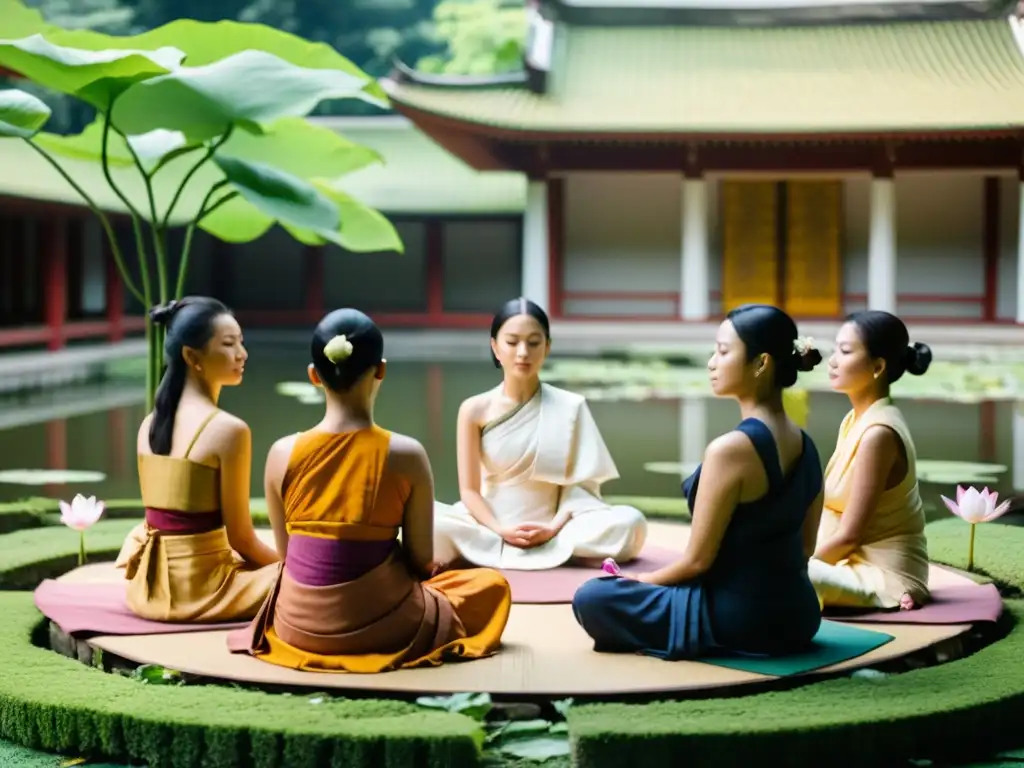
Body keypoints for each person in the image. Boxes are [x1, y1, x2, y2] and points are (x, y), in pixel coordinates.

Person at [229, 308, 511, 673]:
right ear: (381, 370)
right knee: (490, 587)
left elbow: (288, 554)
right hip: (381, 625)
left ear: (314, 376)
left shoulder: (281, 453)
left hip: (295, 625)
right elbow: (420, 559)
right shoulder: (406, 454)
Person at [572, 304, 824, 660]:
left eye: (722, 351)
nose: (711, 362)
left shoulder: (731, 449)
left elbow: (696, 563)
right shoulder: (808, 445)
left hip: (743, 619)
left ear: (761, 363)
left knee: (593, 597)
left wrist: (638, 582)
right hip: (800, 615)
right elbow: (805, 548)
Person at [432, 298, 648, 571]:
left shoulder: (571, 406)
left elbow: (580, 489)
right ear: (495, 347)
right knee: (429, 525)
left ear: (547, 347)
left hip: (554, 524)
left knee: (631, 522)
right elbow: (469, 491)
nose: (523, 352)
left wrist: (553, 527)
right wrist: (501, 528)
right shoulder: (474, 410)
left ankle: (550, 545)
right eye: (512, 342)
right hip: (489, 523)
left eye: (533, 343)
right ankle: (565, 553)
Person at [116, 297, 279, 622]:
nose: (242, 354)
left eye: (241, 343)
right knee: (316, 582)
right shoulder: (228, 430)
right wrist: (287, 569)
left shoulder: (149, 423)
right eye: (229, 344)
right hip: (201, 591)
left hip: (147, 587)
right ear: (192, 356)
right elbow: (242, 539)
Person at [810, 310, 932, 611]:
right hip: (847, 559)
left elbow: (850, 536)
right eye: (835, 348)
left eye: (846, 351)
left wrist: (796, 566)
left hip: (882, 574)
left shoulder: (879, 434)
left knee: (764, 574)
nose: (833, 360)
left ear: (878, 366)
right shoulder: (855, 419)